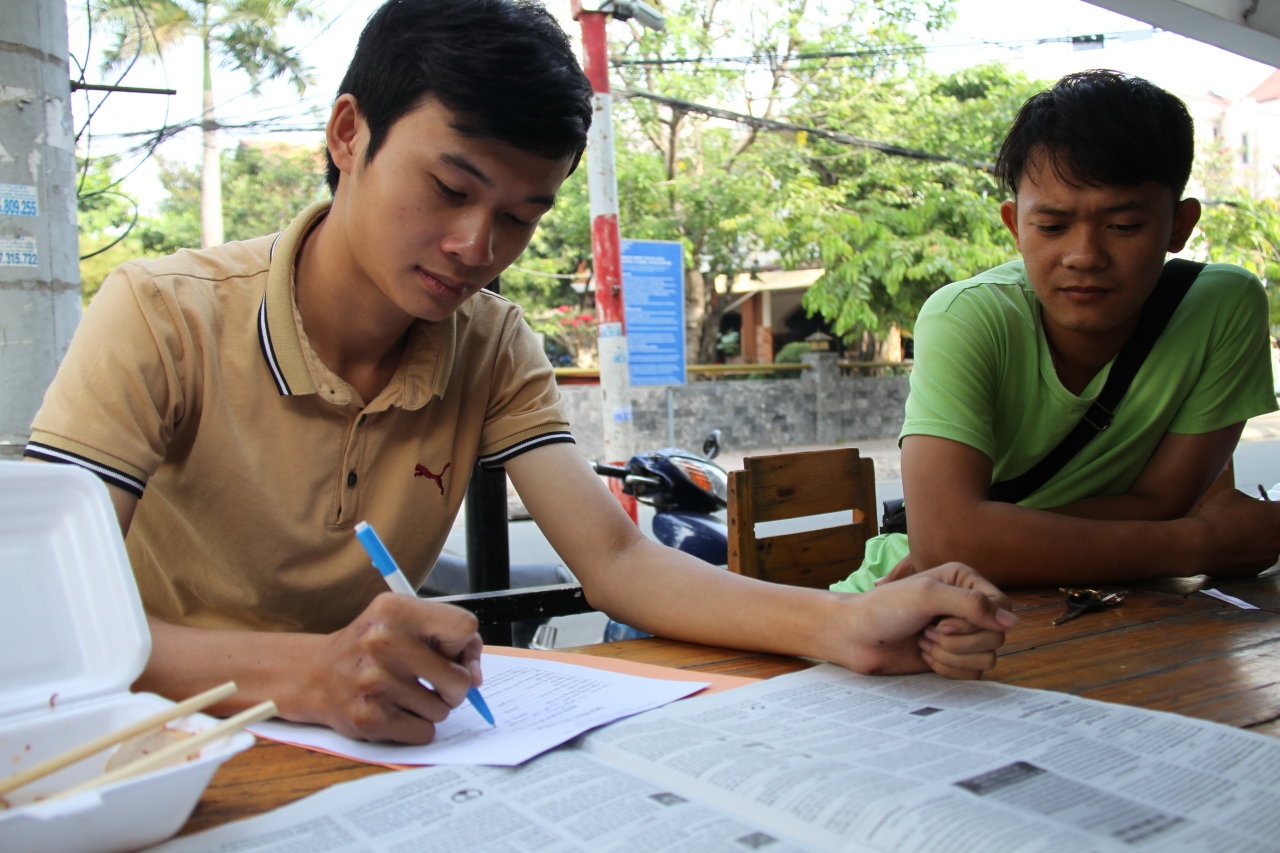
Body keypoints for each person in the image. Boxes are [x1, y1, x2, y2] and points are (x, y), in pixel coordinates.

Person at [26, 0, 1013, 745]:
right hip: (140, 756)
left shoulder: (489, 341)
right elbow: (44, 614)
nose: (473, 245)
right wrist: (312, 673)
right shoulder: (162, 315)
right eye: (450, 187)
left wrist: (845, 625)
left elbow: (617, 563)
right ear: (346, 136)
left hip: (373, 752)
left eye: (518, 217)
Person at [833, 69, 1280, 594]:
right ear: (1014, 226)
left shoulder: (1222, 306)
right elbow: (947, 545)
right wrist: (1199, 545)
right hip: (917, 601)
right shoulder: (968, 317)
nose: (1084, 256)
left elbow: (1164, 503)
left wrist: (994, 539)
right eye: (1051, 226)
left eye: (1124, 226)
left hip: (1115, 610)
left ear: (1179, 226)